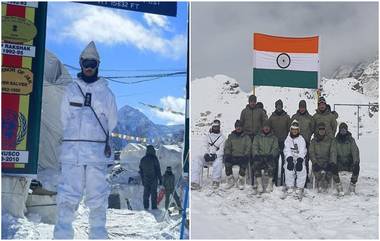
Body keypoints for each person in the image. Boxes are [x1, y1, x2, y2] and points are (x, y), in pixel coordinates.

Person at [54, 41, 118, 239]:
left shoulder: (107, 94)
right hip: (71, 154)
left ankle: (98, 235)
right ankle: (62, 236)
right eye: (85, 63)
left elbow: (112, 122)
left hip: (96, 156)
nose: (89, 67)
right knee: (66, 197)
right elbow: (63, 118)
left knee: (98, 198)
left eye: (92, 63)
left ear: (98, 64)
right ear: (80, 63)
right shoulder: (70, 91)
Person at [309, 122, 344, 196]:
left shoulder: (330, 140)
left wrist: (331, 162)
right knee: (317, 171)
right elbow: (311, 152)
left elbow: (333, 152)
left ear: (325, 130)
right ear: (318, 130)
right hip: (317, 160)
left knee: (329, 171)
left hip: (327, 160)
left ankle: (326, 181)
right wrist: (314, 162)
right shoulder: (313, 141)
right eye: (320, 129)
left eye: (323, 129)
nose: (321, 131)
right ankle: (319, 181)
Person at [191, 120, 225, 190]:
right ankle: (195, 182)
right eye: (214, 127)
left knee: (219, 162)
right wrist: (205, 154)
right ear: (212, 127)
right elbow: (204, 146)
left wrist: (215, 155)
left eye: (217, 127)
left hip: (216, 157)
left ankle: (216, 181)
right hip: (207, 156)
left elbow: (222, 149)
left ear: (219, 127)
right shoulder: (207, 136)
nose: (215, 128)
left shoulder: (222, 138)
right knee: (197, 159)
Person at [251, 120, 279, 194]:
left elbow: (275, 148)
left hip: (269, 156)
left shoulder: (274, 137)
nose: (266, 128)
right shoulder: (257, 137)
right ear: (262, 128)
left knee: (271, 166)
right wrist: (256, 154)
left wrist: (272, 155)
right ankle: (259, 183)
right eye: (265, 127)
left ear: (270, 128)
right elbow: (254, 147)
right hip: (260, 156)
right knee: (256, 165)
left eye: (268, 127)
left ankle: (270, 183)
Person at [291, 100, 314, 186]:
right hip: (295, 142)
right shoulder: (294, 117)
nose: (302, 109)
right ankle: (295, 176)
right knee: (295, 159)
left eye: (303, 107)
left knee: (305, 160)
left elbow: (312, 128)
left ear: (305, 107)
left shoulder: (310, 118)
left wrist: (307, 135)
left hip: (306, 142)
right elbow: (290, 128)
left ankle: (305, 176)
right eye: (300, 107)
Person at [268, 99, 291, 186]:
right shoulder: (272, 117)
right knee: (275, 161)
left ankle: (283, 178)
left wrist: (288, 139)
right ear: (275, 106)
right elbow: (268, 128)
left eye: (280, 106)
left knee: (284, 162)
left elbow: (290, 129)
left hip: (284, 142)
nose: (279, 107)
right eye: (277, 106)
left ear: (282, 106)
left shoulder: (286, 117)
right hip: (275, 143)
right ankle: (274, 179)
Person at [283, 120, 307, 199]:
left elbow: (303, 150)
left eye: (296, 130)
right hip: (291, 158)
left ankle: (299, 187)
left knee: (302, 170)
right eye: (293, 129)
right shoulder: (288, 139)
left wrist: (300, 160)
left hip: (299, 158)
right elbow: (286, 149)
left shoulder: (301, 139)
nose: (294, 131)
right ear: (291, 130)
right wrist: (289, 159)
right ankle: (290, 186)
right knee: (288, 168)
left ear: (298, 130)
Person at [223, 120, 251, 190]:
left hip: (242, 156)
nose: (238, 128)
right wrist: (228, 154)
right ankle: (230, 179)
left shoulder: (246, 137)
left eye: (240, 127)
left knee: (243, 164)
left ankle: (241, 179)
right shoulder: (231, 136)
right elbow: (227, 146)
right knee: (227, 162)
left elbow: (248, 147)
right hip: (233, 156)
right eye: (237, 127)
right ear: (235, 127)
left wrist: (246, 155)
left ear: (242, 128)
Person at [335, 122, 360, 194]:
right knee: (332, 167)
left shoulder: (351, 140)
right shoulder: (335, 141)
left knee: (356, 167)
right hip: (339, 162)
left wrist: (356, 161)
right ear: (339, 131)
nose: (343, 132)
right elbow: (333, 152)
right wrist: (333, 161)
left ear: (347, 130)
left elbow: (355, 151)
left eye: (344, 130)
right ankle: (338, 184)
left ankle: (353, 184)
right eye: (341, 130)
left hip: (349, 162)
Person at [139, 145, 163, 210]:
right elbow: (158, 170)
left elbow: (140, 171)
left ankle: (146, 207)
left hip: (145, 179)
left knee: (146, 194)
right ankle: (154, 207)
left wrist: (143, 180)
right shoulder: (154, 158)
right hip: (154, 179)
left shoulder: (143, 159)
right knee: (153, 194)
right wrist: (161, 180)